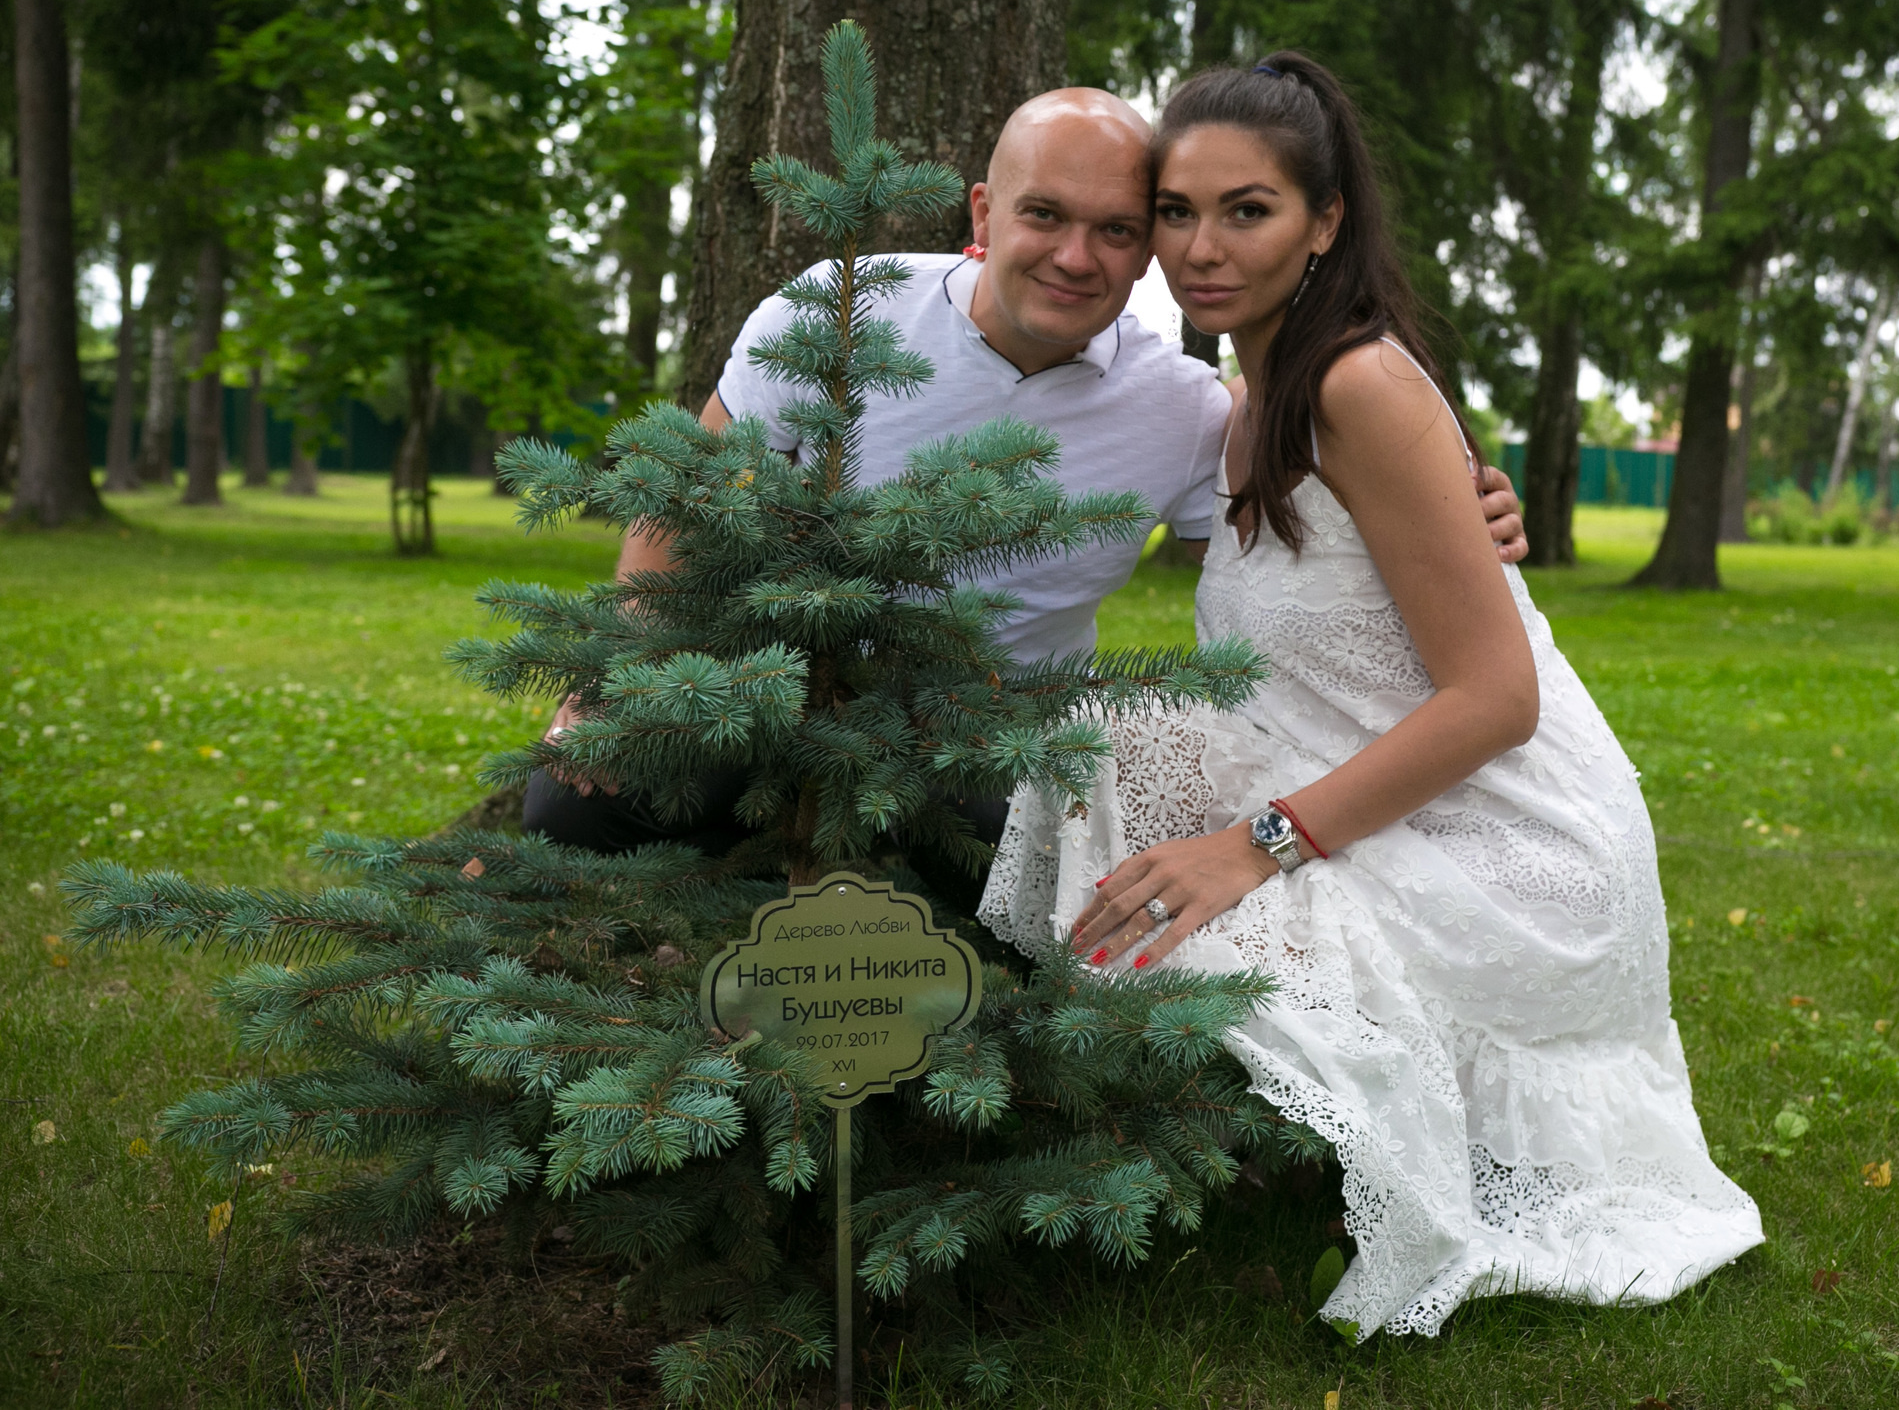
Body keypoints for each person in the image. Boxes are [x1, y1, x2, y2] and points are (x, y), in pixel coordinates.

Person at [979, 54, 1761, 1337]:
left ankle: (1232, 1144)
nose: (1201, 249)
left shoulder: (1358, 384)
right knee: (1104, 735)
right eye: (1174, 212)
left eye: (1248, 210)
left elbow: (1497, 699)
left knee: (1169, 844)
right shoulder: (1245, 405)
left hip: (1511, 843)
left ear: (1324, 221)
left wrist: (1252, 846)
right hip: (1381, 794)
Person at [523, 87, 1528, 891]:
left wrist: (1456, 502)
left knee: (1021, 882)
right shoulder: (836, 312)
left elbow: (1292, 503)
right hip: (781, 702)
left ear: (1145, 250)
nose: (1074, 258)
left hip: (992, 753)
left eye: (1117, 229)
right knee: (577, 803)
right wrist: (620, 676)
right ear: (983, 211)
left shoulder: (1182, 409)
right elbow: (685, 502)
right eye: (1043, 214)